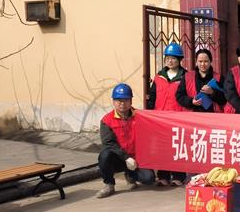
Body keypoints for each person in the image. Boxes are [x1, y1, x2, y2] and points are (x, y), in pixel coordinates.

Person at [97, 83, 155, 198]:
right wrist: (126, 158)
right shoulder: (107, 120)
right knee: (105, 155)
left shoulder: (140, 116)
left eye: (126, 100)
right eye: (119, 100)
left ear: (131, 101)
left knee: (149, 179)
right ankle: (109, 184)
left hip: (137, 159)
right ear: (113, 102)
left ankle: (130, 175)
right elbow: (109, 144)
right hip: (118, 159)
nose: (122, 104)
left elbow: (149, 137)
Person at [146, 42, 187, 186]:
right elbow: (152, 96)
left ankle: (178, 176)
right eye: (167, 58)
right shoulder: (159, 77)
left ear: (180, 60)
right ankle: (163, 176)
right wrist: (149, 113)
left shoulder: (185, 76)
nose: (170, 61)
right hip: (161, 118)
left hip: (178, 118)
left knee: (177, 147)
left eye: (173, 58)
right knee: (162, 148)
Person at [176, 48, 226, 113]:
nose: (203, 64)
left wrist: (212, 92)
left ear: (210, 61)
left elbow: (225, 99)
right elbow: (179, 96)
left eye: (206, 61)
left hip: (213, 115)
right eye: (200, 61)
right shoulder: (187, 77)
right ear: (196, 62)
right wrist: (191, 101)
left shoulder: (219, 78)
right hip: (192, 115)